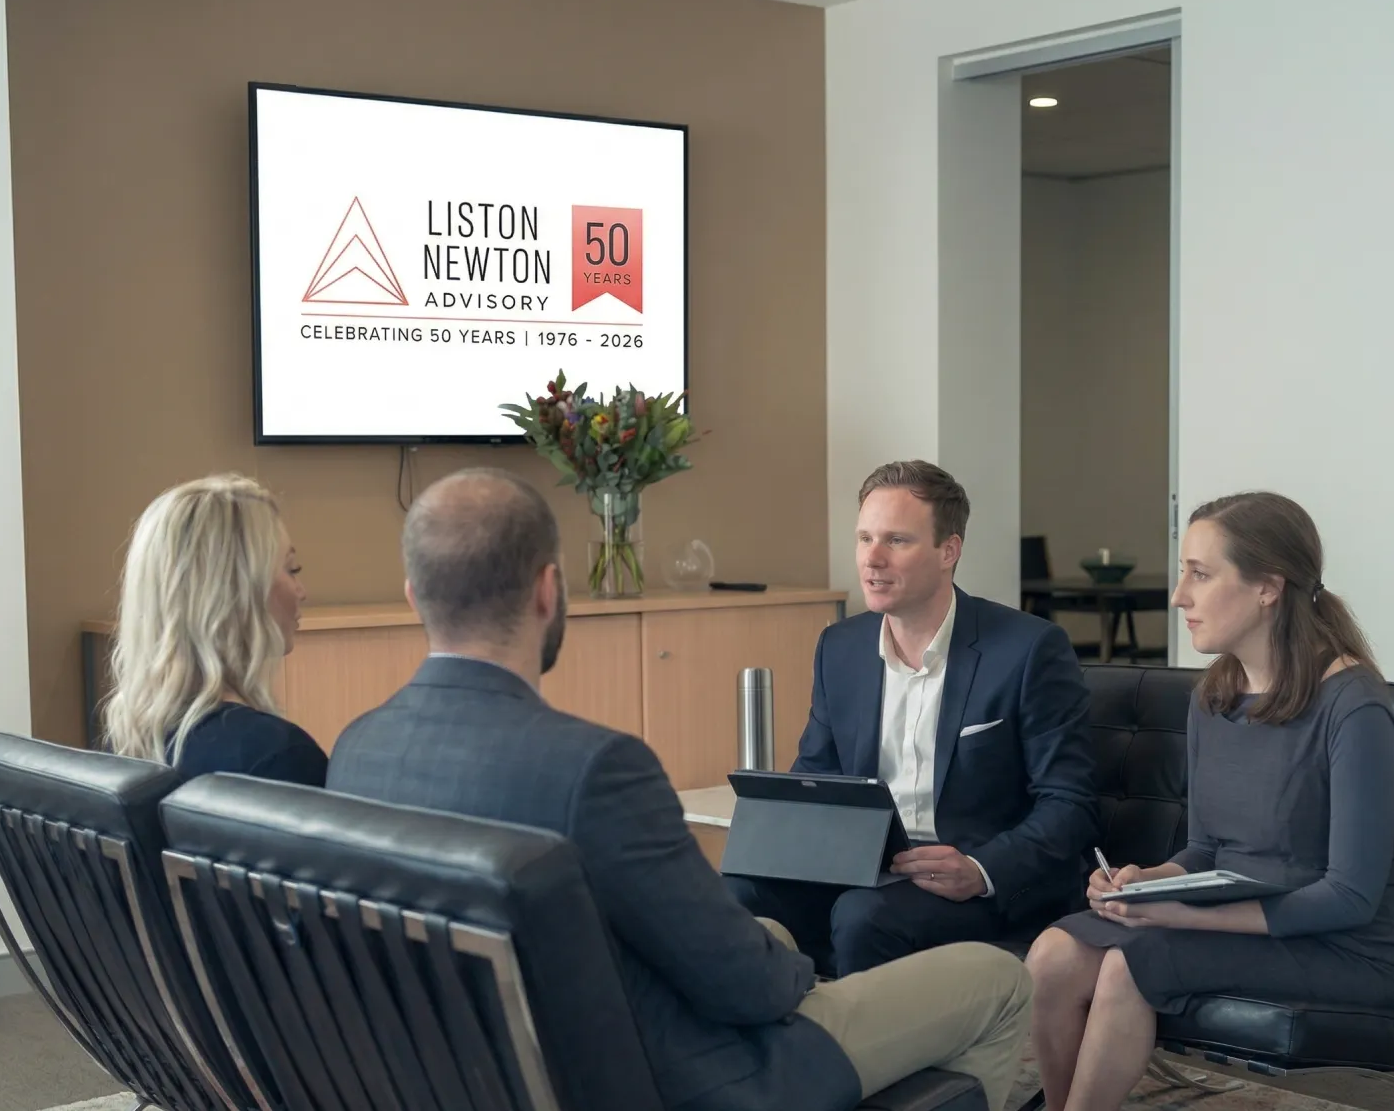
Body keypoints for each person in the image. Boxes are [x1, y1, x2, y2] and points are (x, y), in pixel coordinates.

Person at [326, 468, 1033, 1111]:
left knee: (770, 927)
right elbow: (746, 986)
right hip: (692, 1073)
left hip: (488, 1064)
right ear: (548, 590)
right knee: (992, 980)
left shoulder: (357, 750)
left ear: (415, 596)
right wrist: (790, 974)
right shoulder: (595, 766)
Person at [1024, 491, 1394, 1111]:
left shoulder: (1355, 706)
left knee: (1135, 965)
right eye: (1183, 572)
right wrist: (1145, 884)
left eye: (1200, 575)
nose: (1179, 595)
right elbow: (1207, 848)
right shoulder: (1215, 694)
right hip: (1240, 921)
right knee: (1051, 954)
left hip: (1348, 947)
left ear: (1268, 586)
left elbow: (1349, 896)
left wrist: (1182, 916)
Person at [726, 460, 1098, 975]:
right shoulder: (841, 646)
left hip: (978, 878)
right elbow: (818, 777)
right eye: (864, 538)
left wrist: (981, 868)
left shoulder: (1029, 649)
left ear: (949, 551)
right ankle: (775, 1053)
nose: (872, 559)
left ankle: (876, 1054)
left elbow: (1070, 803)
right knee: (734, 894)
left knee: (863, 917)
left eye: (896, 540)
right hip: (865, 868)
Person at [102, 473, 326, 786]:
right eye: (291, 570)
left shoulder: (127, 741)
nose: (301, 591)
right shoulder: (278, 756)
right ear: (236, 593)